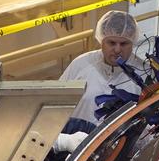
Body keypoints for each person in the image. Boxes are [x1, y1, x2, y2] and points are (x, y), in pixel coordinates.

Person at [57, 9, 144, 147]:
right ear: (101, 40)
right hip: (74, 145)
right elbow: (56, 103)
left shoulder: (143, 74)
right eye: (112, 43)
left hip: (115, 152)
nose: (117, 50)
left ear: (132, 43)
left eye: (123, 44)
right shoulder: (81, 64)